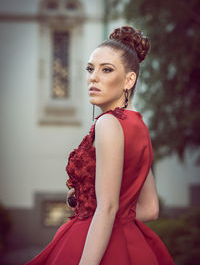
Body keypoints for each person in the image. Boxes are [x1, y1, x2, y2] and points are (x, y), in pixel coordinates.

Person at [26, 26, 174, 265]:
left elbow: (108, 208)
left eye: (106, 70)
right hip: (130, 243)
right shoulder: (139, 126)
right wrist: (89, 200)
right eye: (90, 68)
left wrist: (95, 209)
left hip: (93, 246)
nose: (93, 77)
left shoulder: (108, 123)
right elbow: (150, 208)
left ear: (129, 79)